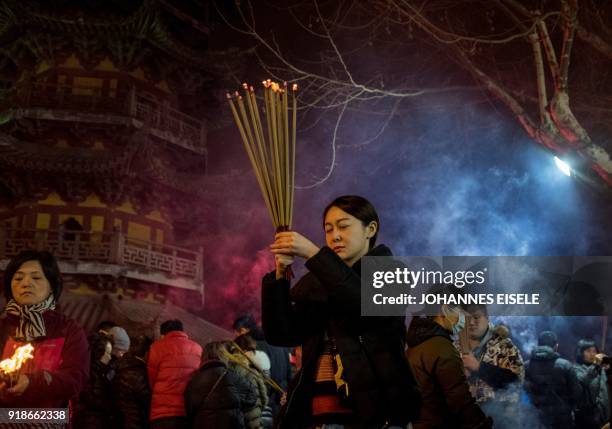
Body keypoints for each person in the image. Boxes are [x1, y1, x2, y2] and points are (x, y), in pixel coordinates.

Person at [262, 195, 421, 429]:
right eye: (328, 229)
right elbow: (282, 334)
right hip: (318, 415)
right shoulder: (316, 281)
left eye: (343, 226)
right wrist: (279, 275)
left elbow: (362, 305)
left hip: (377, 415)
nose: (334, 236)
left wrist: (314, 255)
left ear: (370, 229)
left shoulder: (392, 272)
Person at [0, 250, 89, 426]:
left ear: (52, 286)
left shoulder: (68, 329)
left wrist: (32, 383)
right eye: (18, 278)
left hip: (50, 421)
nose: (26, 283)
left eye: (36, 278)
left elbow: (75, 379)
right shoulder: (2, 328)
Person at [407, 303, 493, 429]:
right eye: (461, 313)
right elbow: (460, 400)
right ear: (444, 311)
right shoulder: (442, 348)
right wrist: (481, 425)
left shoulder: (416, 344)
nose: (464, 320)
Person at [460, 304, 524, 429]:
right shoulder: (456, 347)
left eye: (476, 317)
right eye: (467, 318)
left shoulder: (505, 347)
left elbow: (516, 380)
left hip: (498, 421)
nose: (471, 322)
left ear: (487, 318)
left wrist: (479, 368)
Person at [184, 341, 258, 428]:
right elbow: (252, 397)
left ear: (203, 356)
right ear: (223, 355)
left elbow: (189, 409)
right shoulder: (233, 376)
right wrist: (237, 408)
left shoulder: (194, 380)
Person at [233, 314, 291, 417]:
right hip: (282, 402)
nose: (236, 337)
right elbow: (289, 375)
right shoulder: (281, 344)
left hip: (264, 405)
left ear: (244, 331)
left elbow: (258, 381)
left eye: (238, 332)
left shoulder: (255, 348)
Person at [148, 319, 202, 429]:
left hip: (162, 411)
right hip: (188, 410)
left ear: (163, 334)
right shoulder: (198, 348)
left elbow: (151, 379)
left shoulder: (156, 347)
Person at [524, 330, 581, 429]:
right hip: (562, 420)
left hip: (535, 419)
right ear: (556, 346)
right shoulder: (565, 365)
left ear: (538, 345)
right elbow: (576, 394)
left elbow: (523, 392)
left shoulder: (526, 366)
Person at [73, 333, 116, 428]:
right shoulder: (90, 375)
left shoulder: (99, 372)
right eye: (108, 353)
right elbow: (95, 401)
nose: (110, 357)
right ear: (98, 353)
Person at [114, 334, 153, 429]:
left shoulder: (118, 366)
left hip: (116, 421)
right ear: (147, 352)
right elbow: (147, 402)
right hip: (135, 423)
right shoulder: (140, 373)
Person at [573, 338, 610, 429]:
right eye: (588, 351)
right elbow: (582, 380)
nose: (592, 354)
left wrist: (608, 369)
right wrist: (595, 365)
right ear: (580, 353)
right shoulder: (575, 368)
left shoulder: (599, 368)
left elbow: (604, 391)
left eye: (594, 351)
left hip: (601, 415)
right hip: (585, 417)